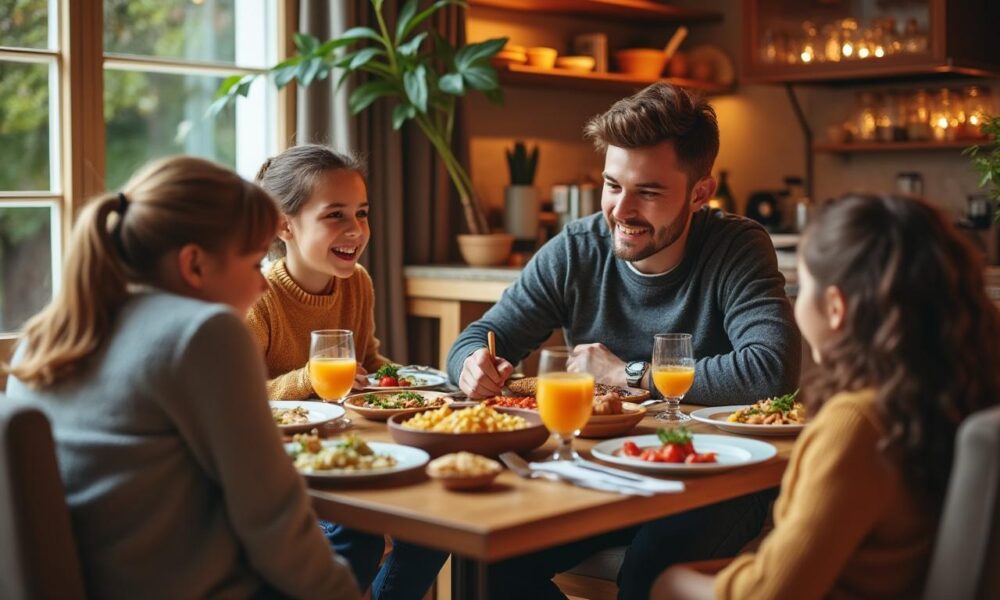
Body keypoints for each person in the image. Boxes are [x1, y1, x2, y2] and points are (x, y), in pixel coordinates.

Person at [447, 82, 801, 599]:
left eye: (649, 192)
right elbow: (481, 336)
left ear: (700, 192)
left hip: (713, 476)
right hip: (604, 469)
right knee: (485, 563)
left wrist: (626, 375)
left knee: (648, 575)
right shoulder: (575, 249)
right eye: (613, 185)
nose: (622, 210)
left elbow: (770, 369)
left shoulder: (736, 247)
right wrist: (472, 363)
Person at [4, 156, 359, 599]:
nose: (264, 286)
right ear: (194, 265)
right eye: (253, 265)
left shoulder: (46, 337)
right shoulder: (204, 332)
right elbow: (274, 525)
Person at [652, 194, 1000, 599]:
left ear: (835, 307)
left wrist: (670, 582)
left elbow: (771, 595)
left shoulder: (858, 425)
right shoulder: (960, 393)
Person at [250, 144, 447, 599]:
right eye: (335, 215)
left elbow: (371, 364)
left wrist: (424, 383)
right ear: (285, 226)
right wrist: (309, 378)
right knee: (356, 536)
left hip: (352, 451)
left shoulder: (356, 283)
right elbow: (245, 399)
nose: (355, 230)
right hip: (289, 468)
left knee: (435, 522)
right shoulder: (260, 299)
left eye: (361, 213)